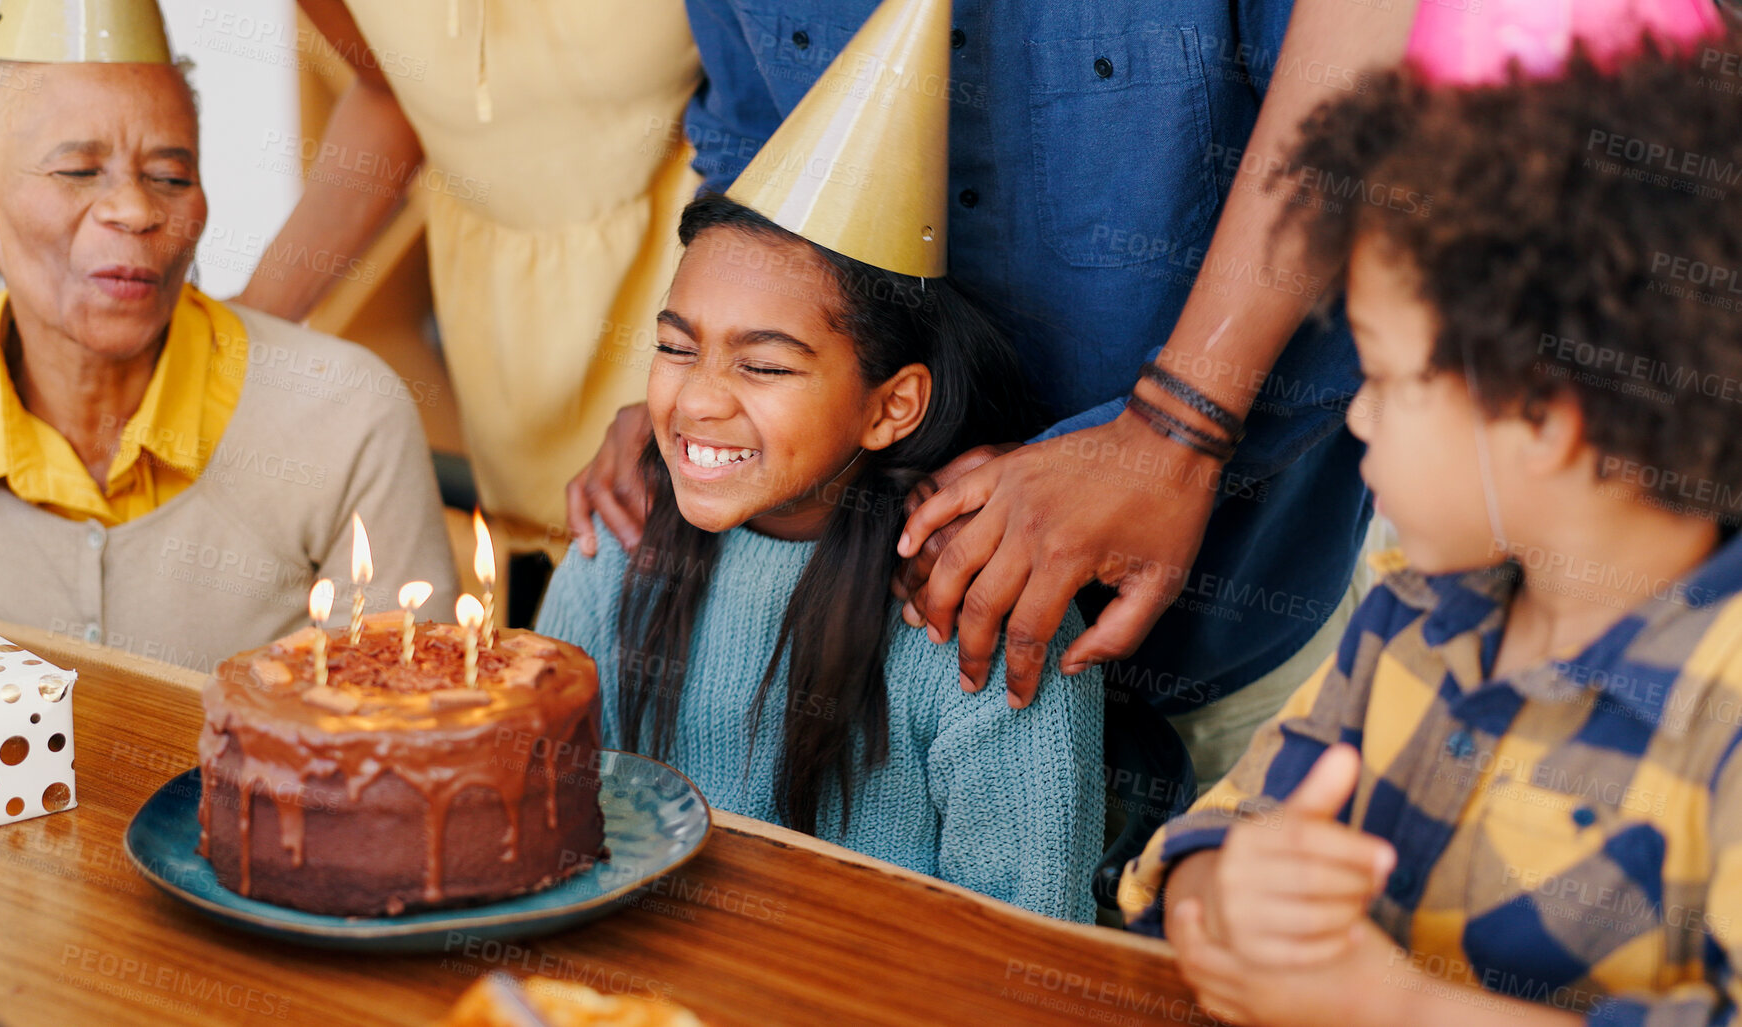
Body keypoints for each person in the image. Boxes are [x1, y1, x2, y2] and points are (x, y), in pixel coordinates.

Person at [568, 0, 1418, 805]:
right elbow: (755, 141)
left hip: (1227, 620)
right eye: (675, 347)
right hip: (865, 635)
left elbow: (1375, 136)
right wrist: (710, 387)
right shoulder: (612, 565)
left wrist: (1173, 431)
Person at [1120, 5, 1742, 1022]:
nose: (1360, 413)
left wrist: (1391, 1006)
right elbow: (1217, 836)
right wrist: (1227, 896)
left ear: (1545, 414)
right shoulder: (1405, 616)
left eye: (1385, 375)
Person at [537, 2, 1102, 923]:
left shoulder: (971, 612)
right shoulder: (618, 541)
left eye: (761, 365)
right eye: (677, 348)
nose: (700, 398)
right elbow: (542, 833)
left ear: (892, 405)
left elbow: (1024, 953)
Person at [0, 0, 454, 671]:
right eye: (77, 172)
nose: (136, 210)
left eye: (171, 177)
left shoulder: (346, 417)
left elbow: (404, 731)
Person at [233, 0, 702, 542]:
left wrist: (701, 381)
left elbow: (780, 128)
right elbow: (389, 93)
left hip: (694, 292)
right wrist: (246, 330)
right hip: (502, 343)